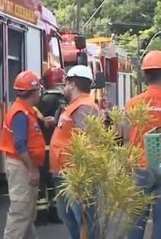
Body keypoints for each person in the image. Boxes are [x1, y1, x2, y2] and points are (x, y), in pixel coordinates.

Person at [49, 65, 99, 239]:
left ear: (72, 84)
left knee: (85, 222)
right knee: (70, 217)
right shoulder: (76, 105)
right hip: (66, 173)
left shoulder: (84, 106)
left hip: (76, 176)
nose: (63, 87)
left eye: (65, 83)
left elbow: (86, 142)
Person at [0, 70, 46, 239]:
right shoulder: (20, 113)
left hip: (22, 165)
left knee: (27, 214)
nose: (40, 93)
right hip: (22, 166)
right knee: (20, 213)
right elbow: (19, 144)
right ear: (33, 92)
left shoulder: (25, 110)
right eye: (38, 90)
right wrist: (32, 169)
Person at [123, 51, 161, 239]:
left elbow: (126, 136)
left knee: (136, 220)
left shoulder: (132, 104)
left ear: (145, 75)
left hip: (139, 167)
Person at [36, 67, 67, 225]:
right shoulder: (66, 99)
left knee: (41, 181)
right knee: (54, 182)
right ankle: (56, 214)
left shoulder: (46, 100)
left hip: (45, 145)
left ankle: (41, 216)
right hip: (59, 147)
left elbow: (37, 119)